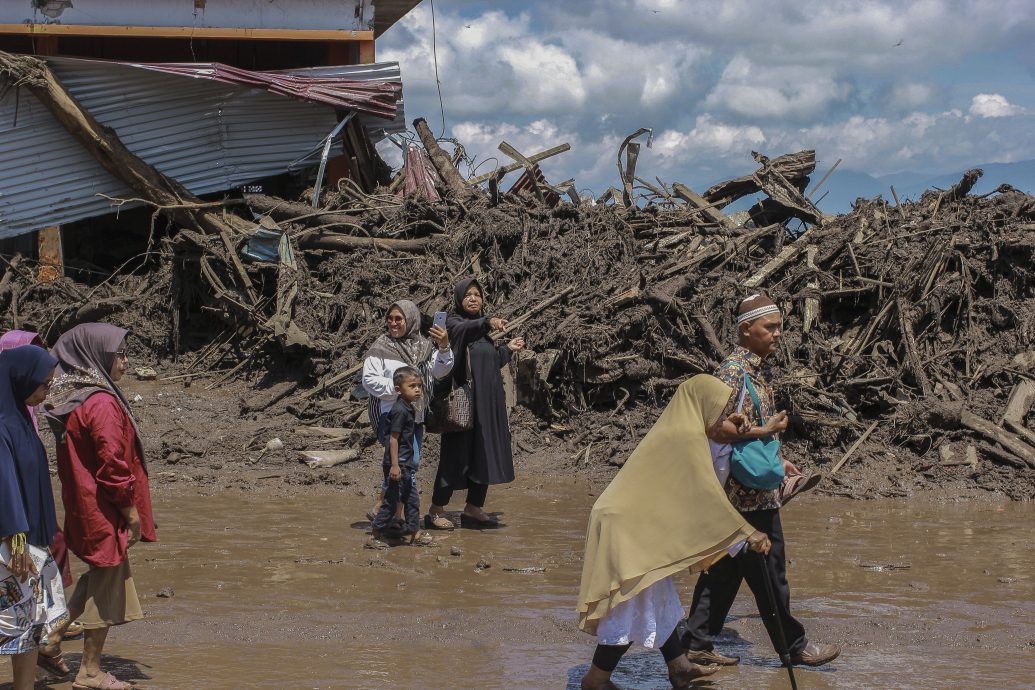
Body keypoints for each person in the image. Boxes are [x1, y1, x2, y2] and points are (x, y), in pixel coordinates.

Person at [577, 375, 771, 690]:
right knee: (627, 607)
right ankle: (595, 681)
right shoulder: (685, 437)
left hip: (632, 523)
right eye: (720, 411)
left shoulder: (684, 428)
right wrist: (746, 534)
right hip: (625, 527)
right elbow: (705, 497)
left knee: (656, 599)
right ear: (702, 404)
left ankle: (679, 667)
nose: (722, 419)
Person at [680, 294, 838, 668]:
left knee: (723, 569)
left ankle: (696, 644)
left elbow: (747, 431)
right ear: (745, 329)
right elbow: (713, 429)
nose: (778, 334)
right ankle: (794, 647)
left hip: (752, 490)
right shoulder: (732, 373)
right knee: (771, 573)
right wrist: (765, 430)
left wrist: (777, 459)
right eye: (770, 327)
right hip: (745, 496)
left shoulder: (755, 371)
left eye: (780, 326)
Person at [42, 323, 155, 690]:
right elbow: (113, 467)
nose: (125, 361)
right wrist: (131, 513)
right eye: (118, 354)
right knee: (107, 585)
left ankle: (52, 637)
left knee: (100, 575)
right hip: (104, 509)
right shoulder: (101, 402)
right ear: (95, 356)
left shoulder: (74, 397)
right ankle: (89, 671)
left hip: (84, 505)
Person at [0, 330, 76, 678]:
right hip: (11, 543)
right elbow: (5, 485)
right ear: (20, 379)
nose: (47, 392)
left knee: (27, 628)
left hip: (28, 540)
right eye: (43, 384)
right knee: (11, 627)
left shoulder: (21, 419)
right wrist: (16, 539)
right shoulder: (3, 426)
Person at [428, 278, 523, 530]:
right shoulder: (453, 324)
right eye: (468, 294)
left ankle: (473, 508)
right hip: (465, 405)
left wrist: (507, 350)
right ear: (459, 299)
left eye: (477, 294)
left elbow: (488, 362)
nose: (473, 298)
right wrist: (487, 321)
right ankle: (436, 509)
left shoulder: (484, 335)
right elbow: (464, 334)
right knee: (455, 456)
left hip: (488, 406)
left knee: (485, 455)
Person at [361, 300, 453, 527]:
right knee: (405, 462)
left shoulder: (424, 346)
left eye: (398, 319)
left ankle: (388, 509)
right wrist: (396, 390)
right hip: (391, 413)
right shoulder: (381, 346)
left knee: (409, 463)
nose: (393, 323)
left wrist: (443, 347)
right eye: (390, 318)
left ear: (411, 320)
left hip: (417, 414)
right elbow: (369, 380)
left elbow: (440, 372)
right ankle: (395, 517)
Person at [368, 367, 432, 547]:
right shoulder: (399, 410)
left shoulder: (408, 407)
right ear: (398, 389)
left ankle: (415, 534)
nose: (418, 389)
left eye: (419, 385)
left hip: (406, 463)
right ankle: (374, 535)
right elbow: (393, 439)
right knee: (391, 501)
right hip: (398, 464)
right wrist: (395, 466)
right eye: (412, 386)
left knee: (412, 500)